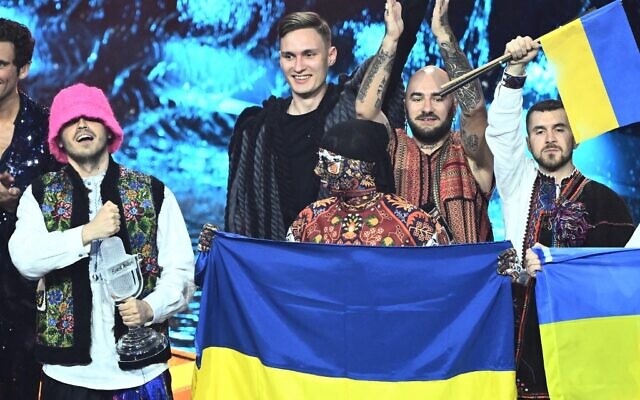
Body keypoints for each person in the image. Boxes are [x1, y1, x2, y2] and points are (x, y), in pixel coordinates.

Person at [8, 83, 194, 399]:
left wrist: (150, 308)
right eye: (70, 120)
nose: (81, 125)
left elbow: (181, 272)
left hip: (142, 374)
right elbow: (25, 259)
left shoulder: (153, 192)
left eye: (90, 117)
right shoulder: (40, 195)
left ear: (109, 130)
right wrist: (85, 234)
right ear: (58, 140)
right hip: (67, 376)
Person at [485, 36, 635, 399]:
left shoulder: (606, 202)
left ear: (576, 138)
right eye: (539, 131)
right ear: (528, 142)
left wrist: (559, 270)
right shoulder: (518, 183)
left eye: (559, 129)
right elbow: (501, 132)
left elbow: (625, 280)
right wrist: (516, 68)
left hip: (583, 343)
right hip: (522, 338)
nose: (549, 138)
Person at [225, 0, 430, 240]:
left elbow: (395, 53)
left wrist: (393, 38)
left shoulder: (353, 107)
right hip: (273, 270)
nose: (298, 66)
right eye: (289, 56)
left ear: (331, 56)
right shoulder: (255, 131)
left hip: (344, 266)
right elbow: (237, 221)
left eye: (309, 54)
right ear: (280, 59)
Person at [355, 0, 494, 244]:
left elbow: (475, 109)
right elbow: (365, 112)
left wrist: (443, 35)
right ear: (406, 105)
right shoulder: (392, 146)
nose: (427, 108)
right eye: (417, 98)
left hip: (464, 280)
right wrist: (391, 39)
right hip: (402, 278)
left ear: (453, 105)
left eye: (438, 98)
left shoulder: (471, 153)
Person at [0, 18, 60, 399]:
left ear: (22, 68)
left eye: (0, 64)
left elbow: (66, 205)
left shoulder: (46, 127)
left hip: (19, 293)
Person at [287, 118, 450, 246]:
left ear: (360, 166)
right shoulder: (309, 218)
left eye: (329, 163)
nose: (317, 170)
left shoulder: (414, 224)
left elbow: (439, 277)